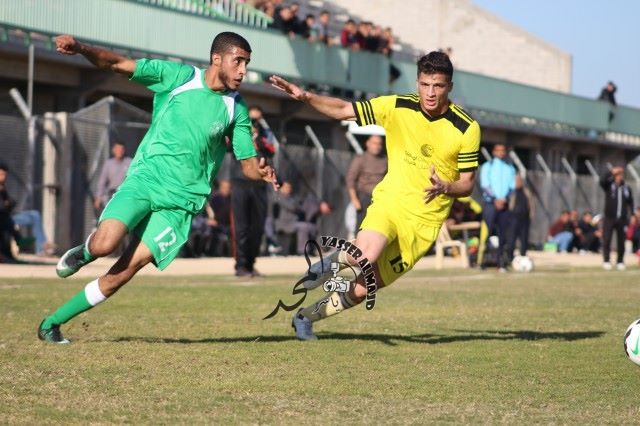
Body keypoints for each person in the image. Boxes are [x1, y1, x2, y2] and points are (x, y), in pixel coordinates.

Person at [38, 32, 278, 344]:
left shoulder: (237, 108)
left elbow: (247, 163)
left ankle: (51, 323)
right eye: (239, 61)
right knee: (104, 245)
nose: (244, 70)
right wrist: (81, 48)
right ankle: (87, 250)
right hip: (146, 181)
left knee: (126, 270)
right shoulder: (177, 77)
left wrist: (260, 171)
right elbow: (119, 63)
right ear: (216, 59)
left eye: (247, 63)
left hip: (181, 205)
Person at [270, 50, 480, 340]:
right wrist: (306, 97)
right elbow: (345, 110)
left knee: (363, 286)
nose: (430, 93)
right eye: (424, 84)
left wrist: (447, 186)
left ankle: (305, 317)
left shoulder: (467, 128)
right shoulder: (397, 106)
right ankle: (330, 263)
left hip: (423, 224)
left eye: (438, 86)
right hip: (390, 202)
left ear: (450, 87)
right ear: (417, 82)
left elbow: (468, 183)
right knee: (365, 255)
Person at [230, 108, 276, 277]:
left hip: (259, 186)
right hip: (240, 185)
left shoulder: (265, 135)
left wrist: (259, 138)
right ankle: (240, 265)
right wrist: (247, 138)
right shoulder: (238, 132)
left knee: (257, 228)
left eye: (258, 119)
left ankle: (250, 264)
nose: (255, 123)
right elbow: (228, 147)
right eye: (252, 119)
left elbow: (272, 150)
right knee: (241, 227)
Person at [0, 163, 53, 257]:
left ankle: (41, 247)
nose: (3, 177)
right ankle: (21, 242)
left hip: (9, 216)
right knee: (9, 222)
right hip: (4, 218)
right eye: (1, 175)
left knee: (35, 215)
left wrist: (9, 202)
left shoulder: (2, 187)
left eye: (5, 175)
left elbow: (7, 203)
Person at [479, 143, 516, 270]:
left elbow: (512, 187)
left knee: (503, 234)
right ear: (494, 152)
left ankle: (500, 262)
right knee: (487, 233)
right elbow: (485, 184)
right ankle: (483, 261)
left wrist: (504, 199)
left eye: (503, 150)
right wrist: (495, 199)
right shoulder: (487, 166)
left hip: (504, 204)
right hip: (491, 203)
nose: (500, 153)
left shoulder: (510, 168)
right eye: (498, 150)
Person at [346, 134, 387, 229]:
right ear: (368, 143)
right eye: (374, 143)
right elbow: (351, 180)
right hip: (363, 197)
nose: (377, 146)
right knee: (360, 227)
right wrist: (354, 199)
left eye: (379, 144)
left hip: (379, 199)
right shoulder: (361, 159)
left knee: (377, 227)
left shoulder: (385, 160)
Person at [600, 166, 634, 270]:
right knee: (607, 239)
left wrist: (632, 214)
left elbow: (630, 202)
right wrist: (611, 171)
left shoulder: (626, 188)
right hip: (609, 218)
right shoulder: (609, 186)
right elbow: (602, 181)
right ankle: (606, 261)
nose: (619, 177)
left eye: (620, 175)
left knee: (621, 241)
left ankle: (620, 261)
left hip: (622, 219)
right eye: (617, 175)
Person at [94, 141, 132, 214]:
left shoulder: (129, 162)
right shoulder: (108, 164)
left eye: (121, 149)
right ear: (113, 150)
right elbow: (102, 182)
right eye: (117, 149)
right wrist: (99, 197)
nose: (119, 152)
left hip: (125, 193)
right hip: (111, 194)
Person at [508, 174, 533, 257]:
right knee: (512, 239)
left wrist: (531, 216)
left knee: (524, 239)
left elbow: (531, 204)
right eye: (516, 181)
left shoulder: (526, 192)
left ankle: (523, 256)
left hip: (525, 218)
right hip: (514, 218)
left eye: (520, 181)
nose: (518, 182)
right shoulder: (511, 192)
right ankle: (510, 257)